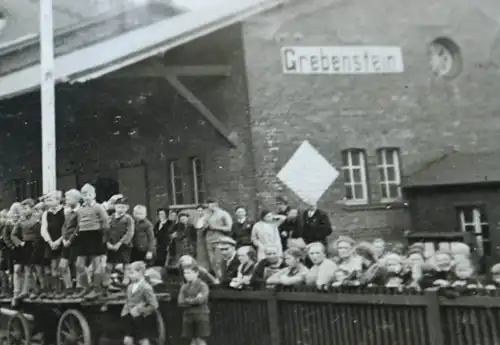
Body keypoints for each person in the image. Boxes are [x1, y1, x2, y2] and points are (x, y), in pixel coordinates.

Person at [74, 183, 110, 299]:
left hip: (95, 235)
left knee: (96, 263)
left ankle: (97, 288)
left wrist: (103, 236)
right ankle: (86, 287)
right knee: (79, 264)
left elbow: (106, 222)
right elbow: (79, 223)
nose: (87, 196)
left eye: (89, 194)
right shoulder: (81, 209)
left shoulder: (98, 207)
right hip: (83, 236)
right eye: (84, 194)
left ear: (94, 195)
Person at [121, 261, 159, 345]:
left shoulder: (146, 287)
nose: (129, 275)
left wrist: (140, 310)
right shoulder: (130, 287)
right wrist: (125, 312)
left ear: (140, 272)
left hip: (142, 318)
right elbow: (129, 301)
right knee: (127, 340)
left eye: (132, 273)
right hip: (130, 317)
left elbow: (154, 305)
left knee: (143, 341)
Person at [11, 199, 40, 302]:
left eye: (26, 208)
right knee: (27, 269)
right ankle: (26, 290)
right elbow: (13, 235)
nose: (24, 211)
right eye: (23, 208)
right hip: (26, 246)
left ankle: (36, 290)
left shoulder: (37, 219)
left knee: (37, 269)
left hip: (36, 245)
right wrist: (20, 243)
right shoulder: (21, 221)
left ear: (32, 209)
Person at [40, 190, 66, 298]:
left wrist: (59, 241)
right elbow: (43, 229)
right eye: (47, 200)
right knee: (53, 266)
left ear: (58, 200)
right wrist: (50, 241)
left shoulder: (64, 211)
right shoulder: (46, 213)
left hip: (63, 241)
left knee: (63, 266)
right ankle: (56, 290)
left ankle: (66, 289)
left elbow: (67, 227)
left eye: (50, 200)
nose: (48, 202)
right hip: (51, 242)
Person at [105, 197, 135, 288]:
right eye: (118, 207)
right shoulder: (110, 218)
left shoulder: (128, 219)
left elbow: (130, 232)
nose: (120, 209)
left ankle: (126, 279)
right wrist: (107, 243)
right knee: (109, 263)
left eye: (123, 207)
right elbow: (105, 231)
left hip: (124, 245)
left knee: (125, 263)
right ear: (115, 207)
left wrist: (120, 243)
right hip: (111, 244)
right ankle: (107, 280)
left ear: (127, 208)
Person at [178, 264, 211, 345]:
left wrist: (188, 300)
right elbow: (180, 302)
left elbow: (200, 300)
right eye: (185, 273)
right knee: (192, 341)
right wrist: (194, 299)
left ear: (196, 273)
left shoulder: (203, 286)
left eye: (189, 273)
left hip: (201, 316)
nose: (186, 275)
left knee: (200, 340)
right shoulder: (184, 287)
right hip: (188, 316)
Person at [59, 189, 81, 298]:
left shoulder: (79, 212)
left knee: (77, 265)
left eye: (68, 198)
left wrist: (70, 240)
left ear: (75, 199)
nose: (66, 200)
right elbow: (64, 226)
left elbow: (78, 228)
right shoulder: (67, 212)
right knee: (62, 266)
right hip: (66, 242)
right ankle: (69, 287)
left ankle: (78, 288)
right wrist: (63, 238)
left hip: (76, 242)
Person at [205, 198, 233, 278]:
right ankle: (218, 279)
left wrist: (216, 227)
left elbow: (229, 228)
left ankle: (223, 280)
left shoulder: (224, 214)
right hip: (209, 241)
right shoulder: (208, 215)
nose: (208, 207)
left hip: (220, 240)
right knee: (212, 262)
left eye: (210, 204)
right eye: (208, 205)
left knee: (219, 262)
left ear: (215, 204)